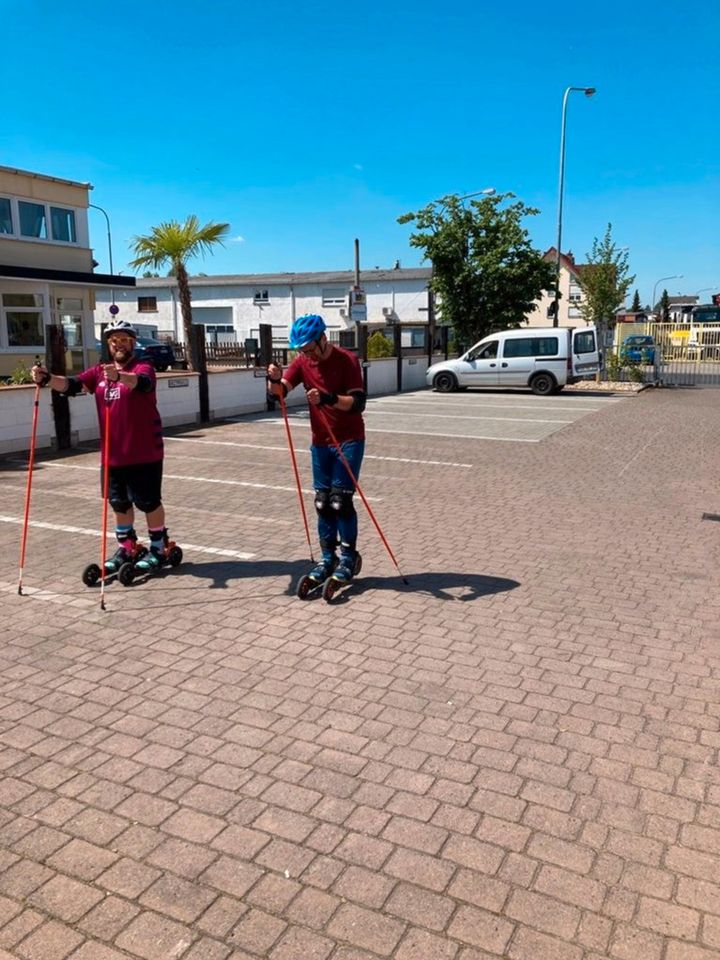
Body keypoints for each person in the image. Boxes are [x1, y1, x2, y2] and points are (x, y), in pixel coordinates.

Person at [31, 319, 173, 574]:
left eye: (125, 340)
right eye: (114, 340)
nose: (119, 344)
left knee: (148, 502)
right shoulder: (99, 372)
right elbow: (72, 384)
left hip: (144, 451)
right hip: (113, 454)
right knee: (119, 503)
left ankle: (158, 547)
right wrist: (47, 378)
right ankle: (128, 546)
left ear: (132, 343)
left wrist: (119, 376)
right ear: (108, 344)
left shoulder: (144, 366)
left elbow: (142, 384)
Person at [267, 313, 366, 586]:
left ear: (323, 339)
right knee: (322, 502)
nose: (307, 355)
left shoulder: (347, 360)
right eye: (302, 351)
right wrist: (274, 379)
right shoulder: (302, 362)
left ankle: (348, 558)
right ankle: (327, 558)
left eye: (310, 349)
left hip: (349, 440)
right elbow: (279, 394)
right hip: (320, 443)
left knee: (341, 501)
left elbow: (358, 403)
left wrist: (328, 399)